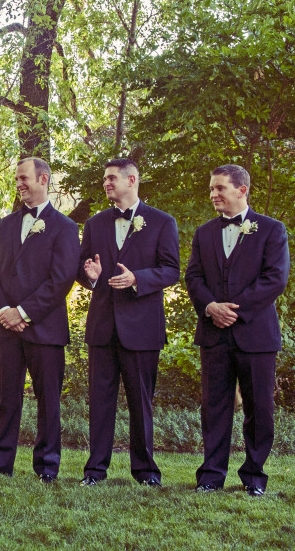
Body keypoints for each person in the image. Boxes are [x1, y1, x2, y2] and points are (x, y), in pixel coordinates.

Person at [185, 164, 289, 496]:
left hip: (256, 335)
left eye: (220, 188)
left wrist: (234, 311)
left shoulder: (272, 230)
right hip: (213, 333)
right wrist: (211, 307)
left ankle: (254, 477)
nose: (213, 194)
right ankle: (211, 476)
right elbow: (193, 278)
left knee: (259, 409)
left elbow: (275, 279)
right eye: (212, 189)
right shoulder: (203, 233)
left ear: (241, 190)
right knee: (214, 407)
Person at [77, 159, 179, 487]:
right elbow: (85, 268)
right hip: (103, 328)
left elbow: (171, 269)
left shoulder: (163, 223)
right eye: (104, 178)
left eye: (111, 178)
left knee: (141, 403)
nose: (105, 183)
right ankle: (95, 472)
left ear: (131, 179)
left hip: (142, 329)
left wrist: (139, 278)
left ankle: (146, 472)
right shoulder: (94, 224)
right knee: (100, 403)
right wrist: (89, 277)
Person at [0, 157, 79, 482]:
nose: (19, 184)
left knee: (48, 400)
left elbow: (61, 279)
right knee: (7, 398)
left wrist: (23, 312)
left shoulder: (64, 227)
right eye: (17, 179)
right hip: (6, 328)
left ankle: (47, 467)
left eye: (24, 178)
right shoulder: (5, 225)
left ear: (43, 179)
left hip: (45, 328)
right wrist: (4, 311)